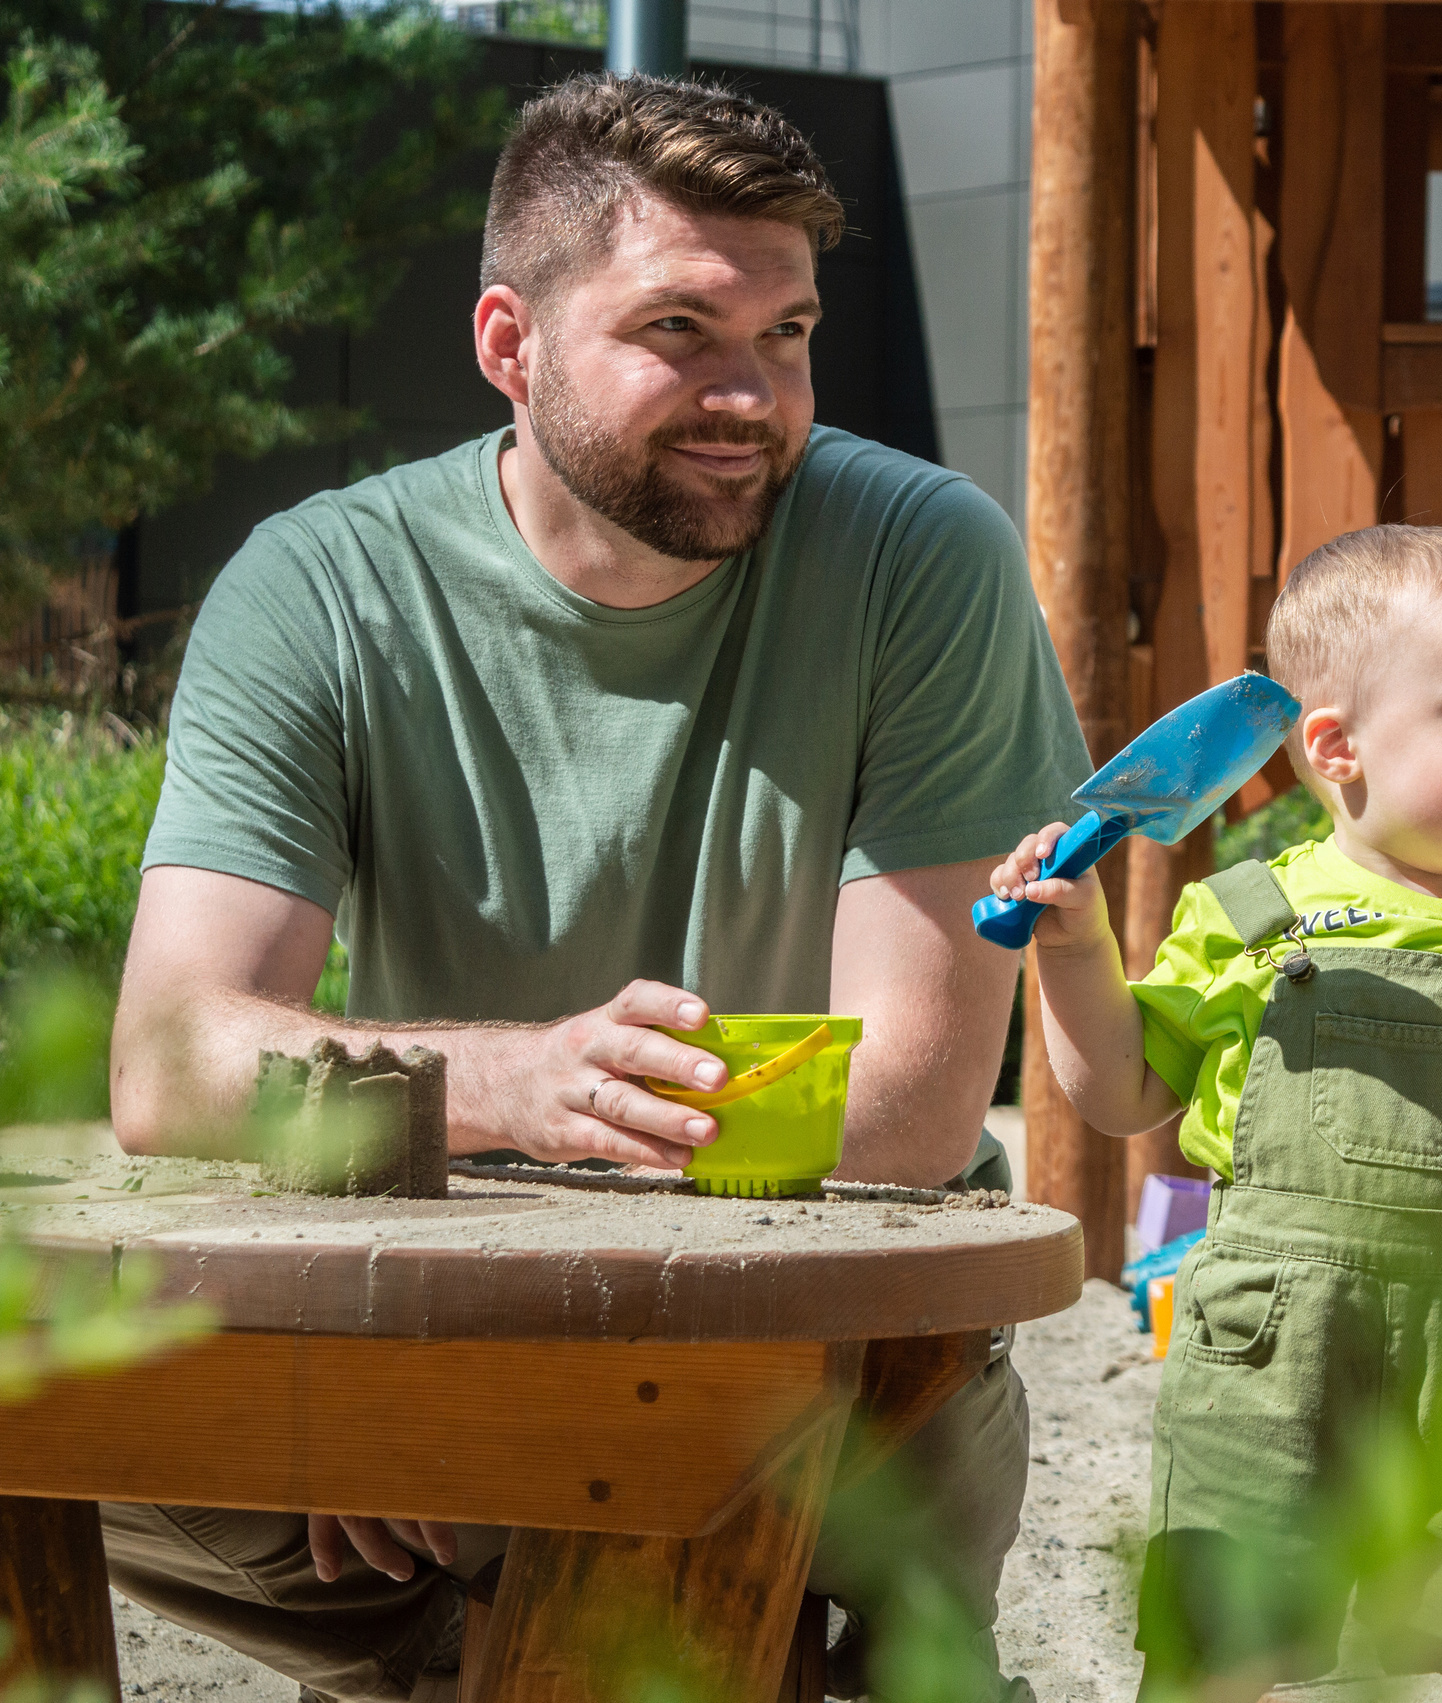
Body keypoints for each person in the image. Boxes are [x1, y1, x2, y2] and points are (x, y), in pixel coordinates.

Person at [103, 74, 1087, 1703]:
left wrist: (476, 1383)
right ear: (510, 342)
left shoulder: (924, 554)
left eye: (788, 333)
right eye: (683, 329)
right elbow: (171, 1060)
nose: (753, 394)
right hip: (418, 1341)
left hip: (830, 1360)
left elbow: (901, 1111)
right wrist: (502, 1101)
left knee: (663, 1571)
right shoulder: (321, 583)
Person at [989, 524, 1442, 1700]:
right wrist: (1075, 946)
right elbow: (1118, 1091)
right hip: (1271, 1350)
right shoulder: (1248, 921)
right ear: (1336, 744)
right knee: (1225, 1637)